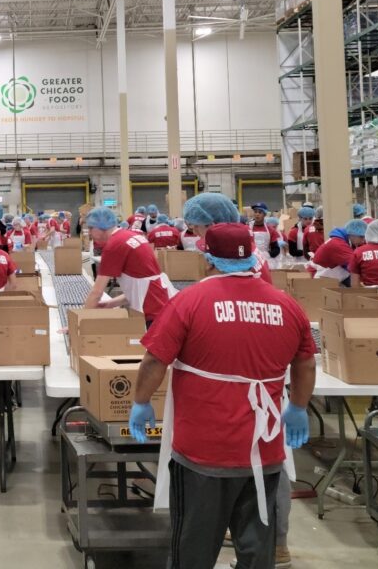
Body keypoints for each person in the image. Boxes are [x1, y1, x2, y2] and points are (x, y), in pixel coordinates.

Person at [129, 222, 317, 569]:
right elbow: (305, 361)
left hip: (204, 453)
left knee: (193, 550)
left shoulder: (190, 301)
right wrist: (298, 406)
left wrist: (140, 402)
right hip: (265, 450)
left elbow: (156, 359)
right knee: (258, 551)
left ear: (208, 257)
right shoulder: (286, 306)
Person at [84, 207, 177, 328]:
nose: (90, 233)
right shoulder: (129, 236)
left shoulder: (113, 245)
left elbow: (96, 292)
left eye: (91, 228)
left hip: (152, 309)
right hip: (162, 301)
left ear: (102, 226)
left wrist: (79, 323)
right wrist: (110, 304)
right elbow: (141, 285)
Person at [184, 193, 274, 285]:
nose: (195, 232)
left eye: (197, 226)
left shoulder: (230, 258)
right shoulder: (242, 247)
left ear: (213, 225)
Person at [306, 220, 367, 285]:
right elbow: (353, 266)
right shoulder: (338, 245)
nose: (363, 240)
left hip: (327, 272)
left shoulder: (343, 240)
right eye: (362, 237)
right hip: (318, 276)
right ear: (352, 235)